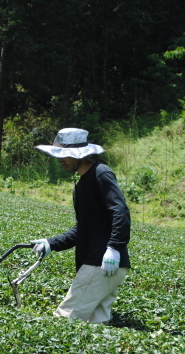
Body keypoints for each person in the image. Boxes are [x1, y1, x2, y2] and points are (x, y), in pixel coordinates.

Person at [31, 128, 131, 324]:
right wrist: (52, 243)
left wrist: (114, 248)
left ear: (81, 154)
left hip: (101, 261)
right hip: (105, 265)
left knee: (66, 317)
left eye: (66, 155)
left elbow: (120, 211)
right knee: (96, 324)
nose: (61, 160)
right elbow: (83, 228)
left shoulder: (101, 174)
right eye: (58, 155)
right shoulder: (80, 187)